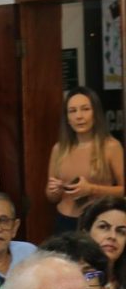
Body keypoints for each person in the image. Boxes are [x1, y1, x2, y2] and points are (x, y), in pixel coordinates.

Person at [46, 86, 124, 234]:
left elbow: (123, 190)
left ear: (95, 113)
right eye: (72, 111)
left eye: (85, 109)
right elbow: (51, 196)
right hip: (64, 222)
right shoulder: (59, 148)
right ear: (67, 118)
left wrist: (92, 189)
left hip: (98, 221)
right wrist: (54, 191)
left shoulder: (111, 146)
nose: (79, 116)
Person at [79, 196, 126, 289]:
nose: (112, 236)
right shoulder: (65, 278)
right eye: (103, 227)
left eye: (121, 232)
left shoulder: (122, 286)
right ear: (86, 233)